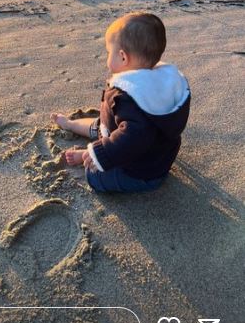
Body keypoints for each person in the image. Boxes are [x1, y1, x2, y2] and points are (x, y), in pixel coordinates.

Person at [51, 12, 190, 193]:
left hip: (143, 171)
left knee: (95, 177)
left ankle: (88, 153)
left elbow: (134, 136)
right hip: (159, 152)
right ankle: (70, 124)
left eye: (109, 52)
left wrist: (100, 155)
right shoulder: (163, 83)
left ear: (123, 57)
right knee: (100, 125)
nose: (107, 57)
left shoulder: (129, 97)